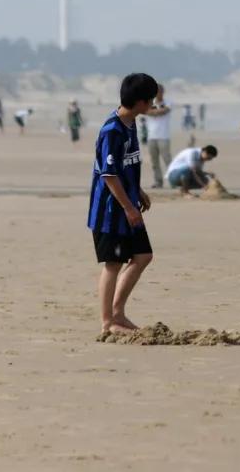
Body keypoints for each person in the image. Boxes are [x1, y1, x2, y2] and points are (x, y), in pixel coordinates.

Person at [87, 72, 158, 336]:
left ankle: (118, 313)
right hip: (110, 211)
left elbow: (125, 164)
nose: (152, 104)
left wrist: (137, 191)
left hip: (128, 203)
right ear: (140, 101)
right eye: (150, 100)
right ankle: (108, 322)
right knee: (113, 264)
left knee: (143, 256)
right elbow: (108, 174)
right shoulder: (112, 130)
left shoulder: (131, 123)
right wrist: (128, 207)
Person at [144, 84, 172, 188]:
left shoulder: (168, 102)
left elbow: (164, 111)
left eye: (159, 92)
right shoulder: (149, 103)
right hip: (151, 136)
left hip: (163, 136)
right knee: (154, 161)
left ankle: (173, 179)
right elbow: (145, 111)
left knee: (167, 159)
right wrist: (154, 112)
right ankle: (158, 181)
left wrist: (154, 112)